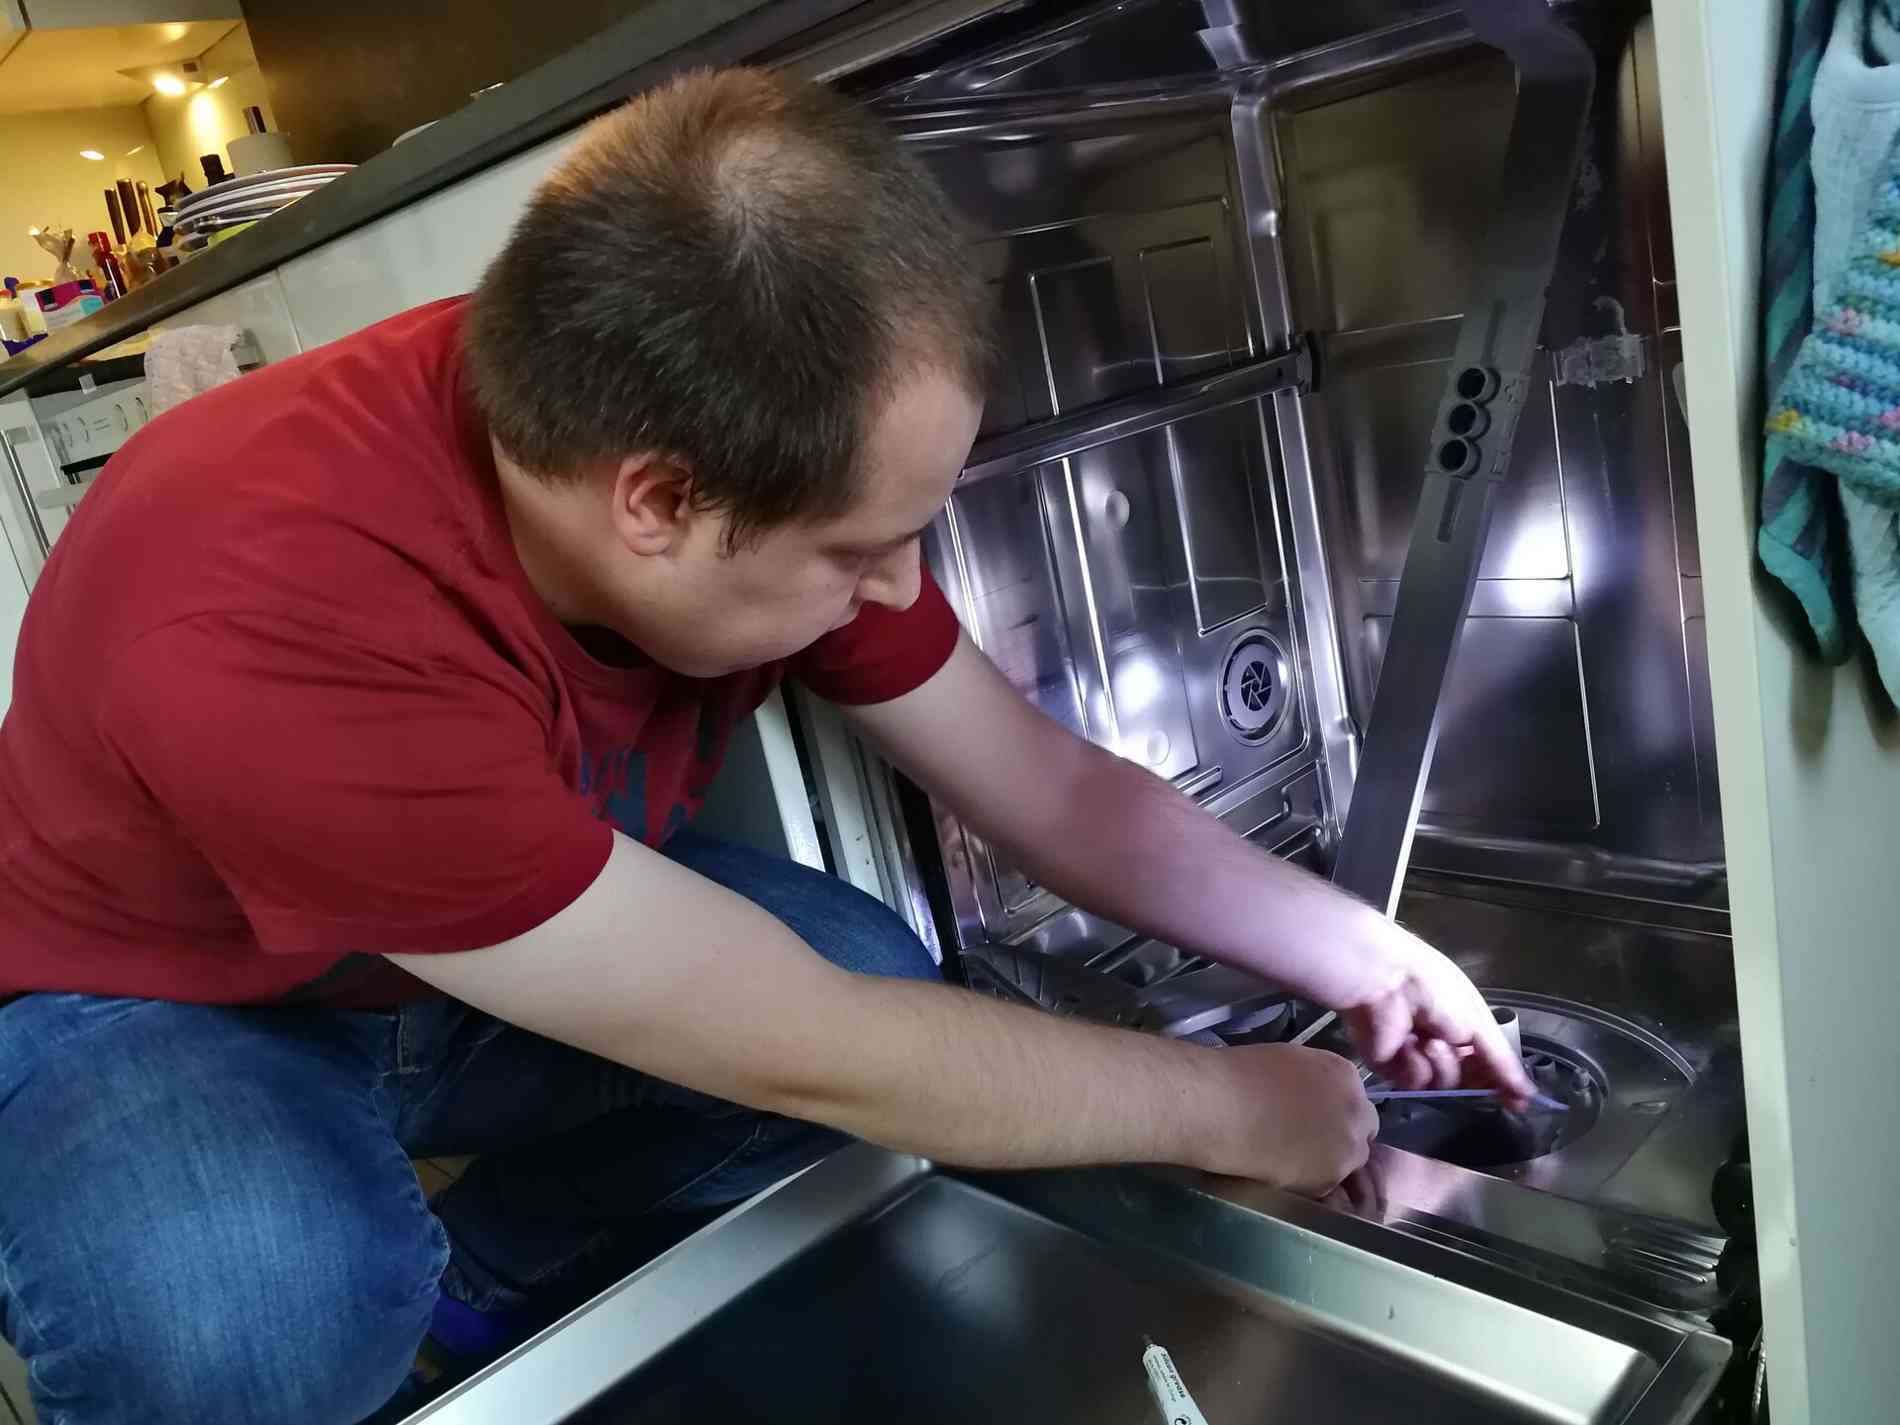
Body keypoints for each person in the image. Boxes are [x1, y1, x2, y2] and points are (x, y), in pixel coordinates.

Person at [0, 68, 1529, 1425]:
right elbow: (816, 1045)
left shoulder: (703, 407)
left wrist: (1364, 955)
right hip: (165, 994)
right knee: (244, 1316)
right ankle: (361, 1276)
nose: (894, 588)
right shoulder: (275, 619)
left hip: (452, 953)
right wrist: (1238, 1105)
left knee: (873, 966)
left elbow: (1046, 783)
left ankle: (474, 1279)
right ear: (657, 505)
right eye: (865, 549)